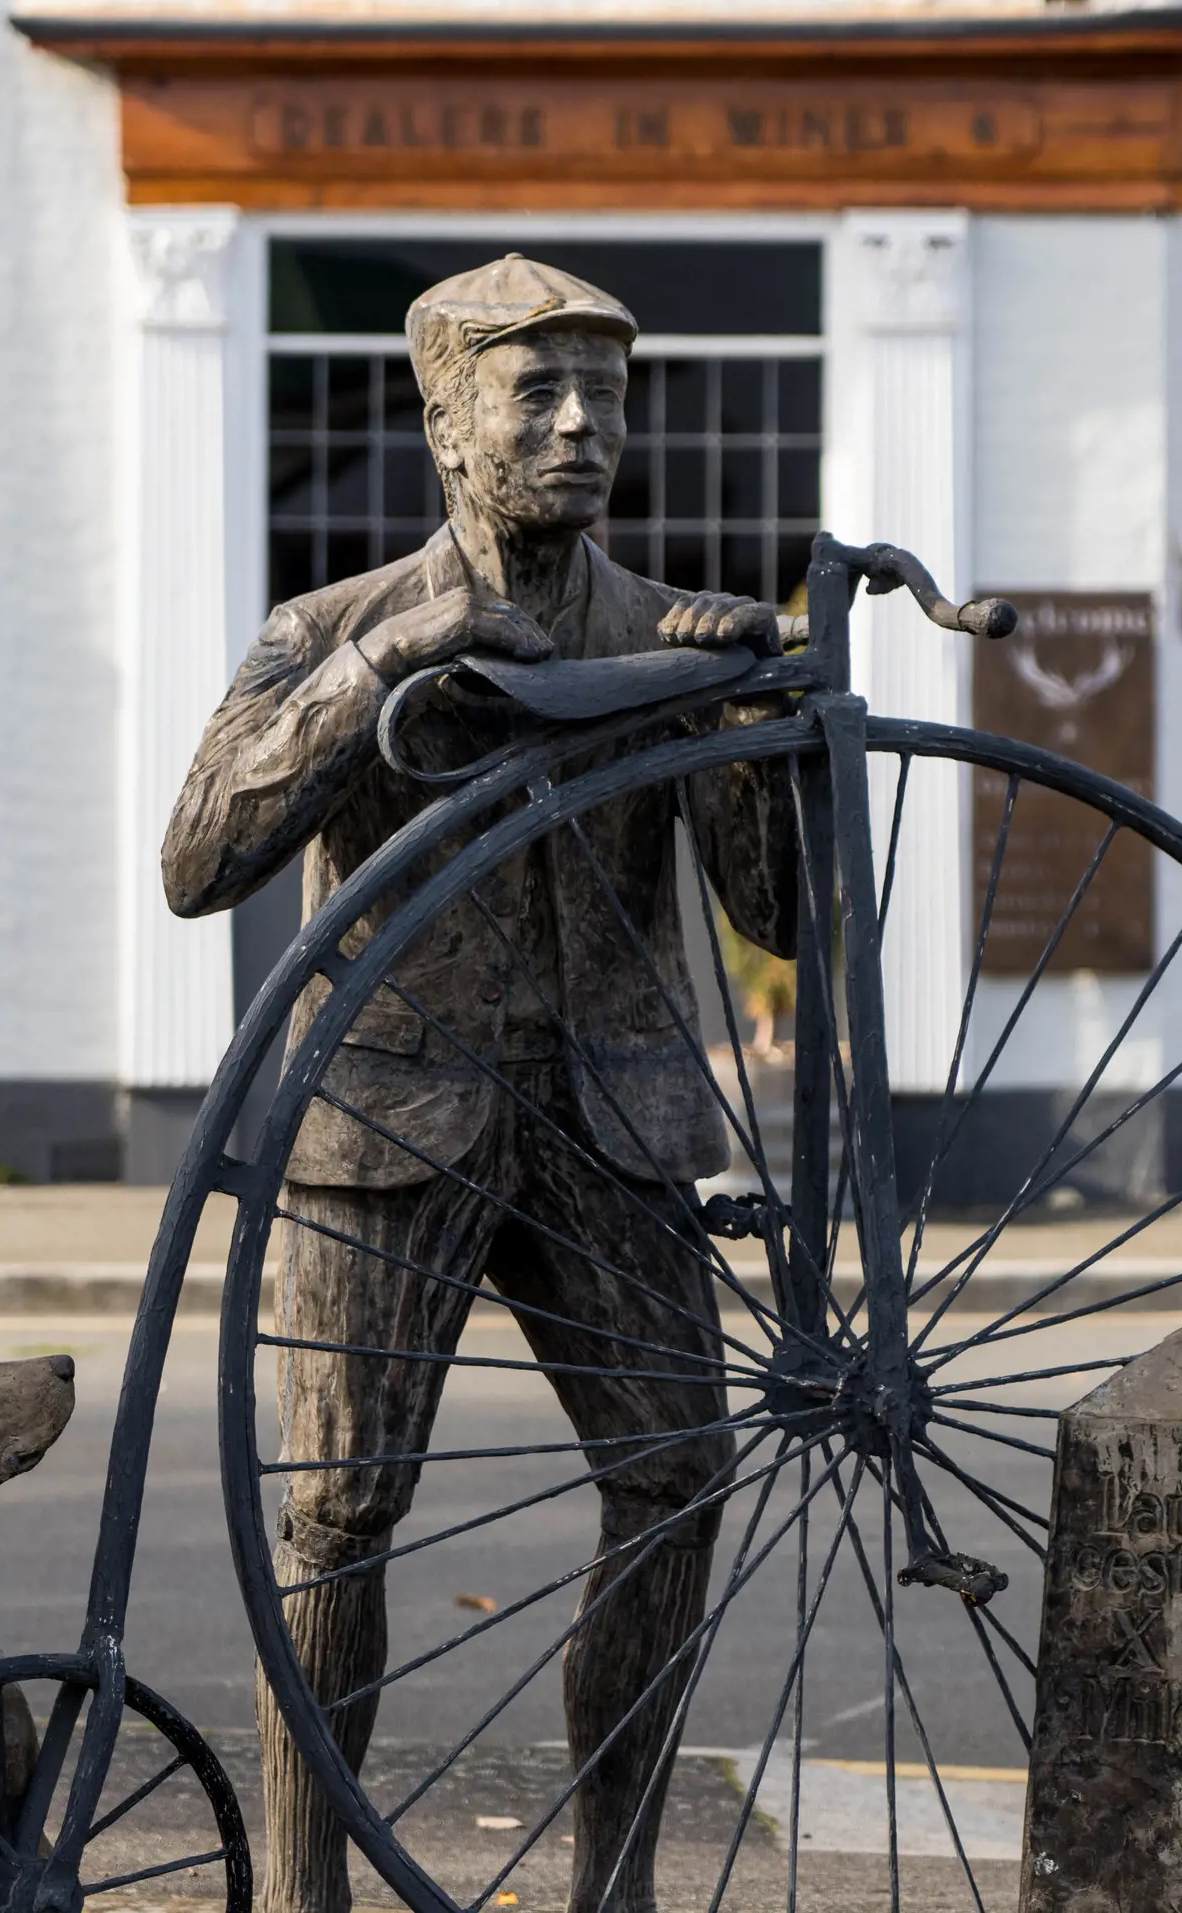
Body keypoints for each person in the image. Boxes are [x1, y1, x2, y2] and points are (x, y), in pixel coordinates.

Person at [161, 255, 798, 1913]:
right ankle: (303, 1891)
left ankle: (617, 1884)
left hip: (613, 1116)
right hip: (387, 1118)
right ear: (446, 420)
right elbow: (201, 857)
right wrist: (389, 669)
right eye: (539, 390)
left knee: (674, 1481)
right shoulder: (331, 630)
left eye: (607, 391)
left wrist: (748, 722)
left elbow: (785, 919)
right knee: (336, 1518)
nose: (584, 424)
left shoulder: (667, 632)